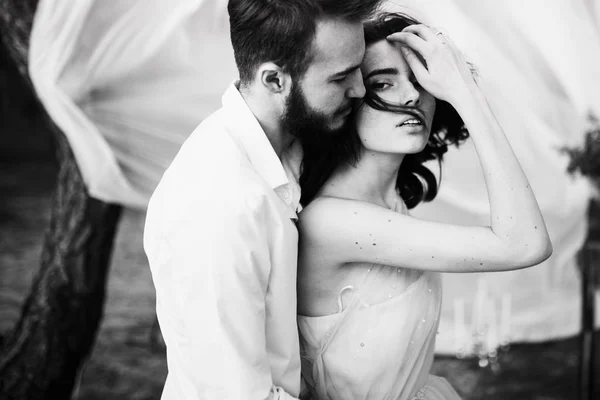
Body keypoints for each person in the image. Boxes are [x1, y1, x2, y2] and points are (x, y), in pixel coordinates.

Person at [296, 13, 553, 400]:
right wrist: (467, 94)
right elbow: (525, 243)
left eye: (423, 82)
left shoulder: (390, 201)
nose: (412, 96)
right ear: (347, 98)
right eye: (383, 82)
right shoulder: (333, 222)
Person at [143, 0, 381, 398]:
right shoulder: (218, 207)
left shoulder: (292, 144)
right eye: (340, 77)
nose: (359, 88)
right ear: (274, 80)